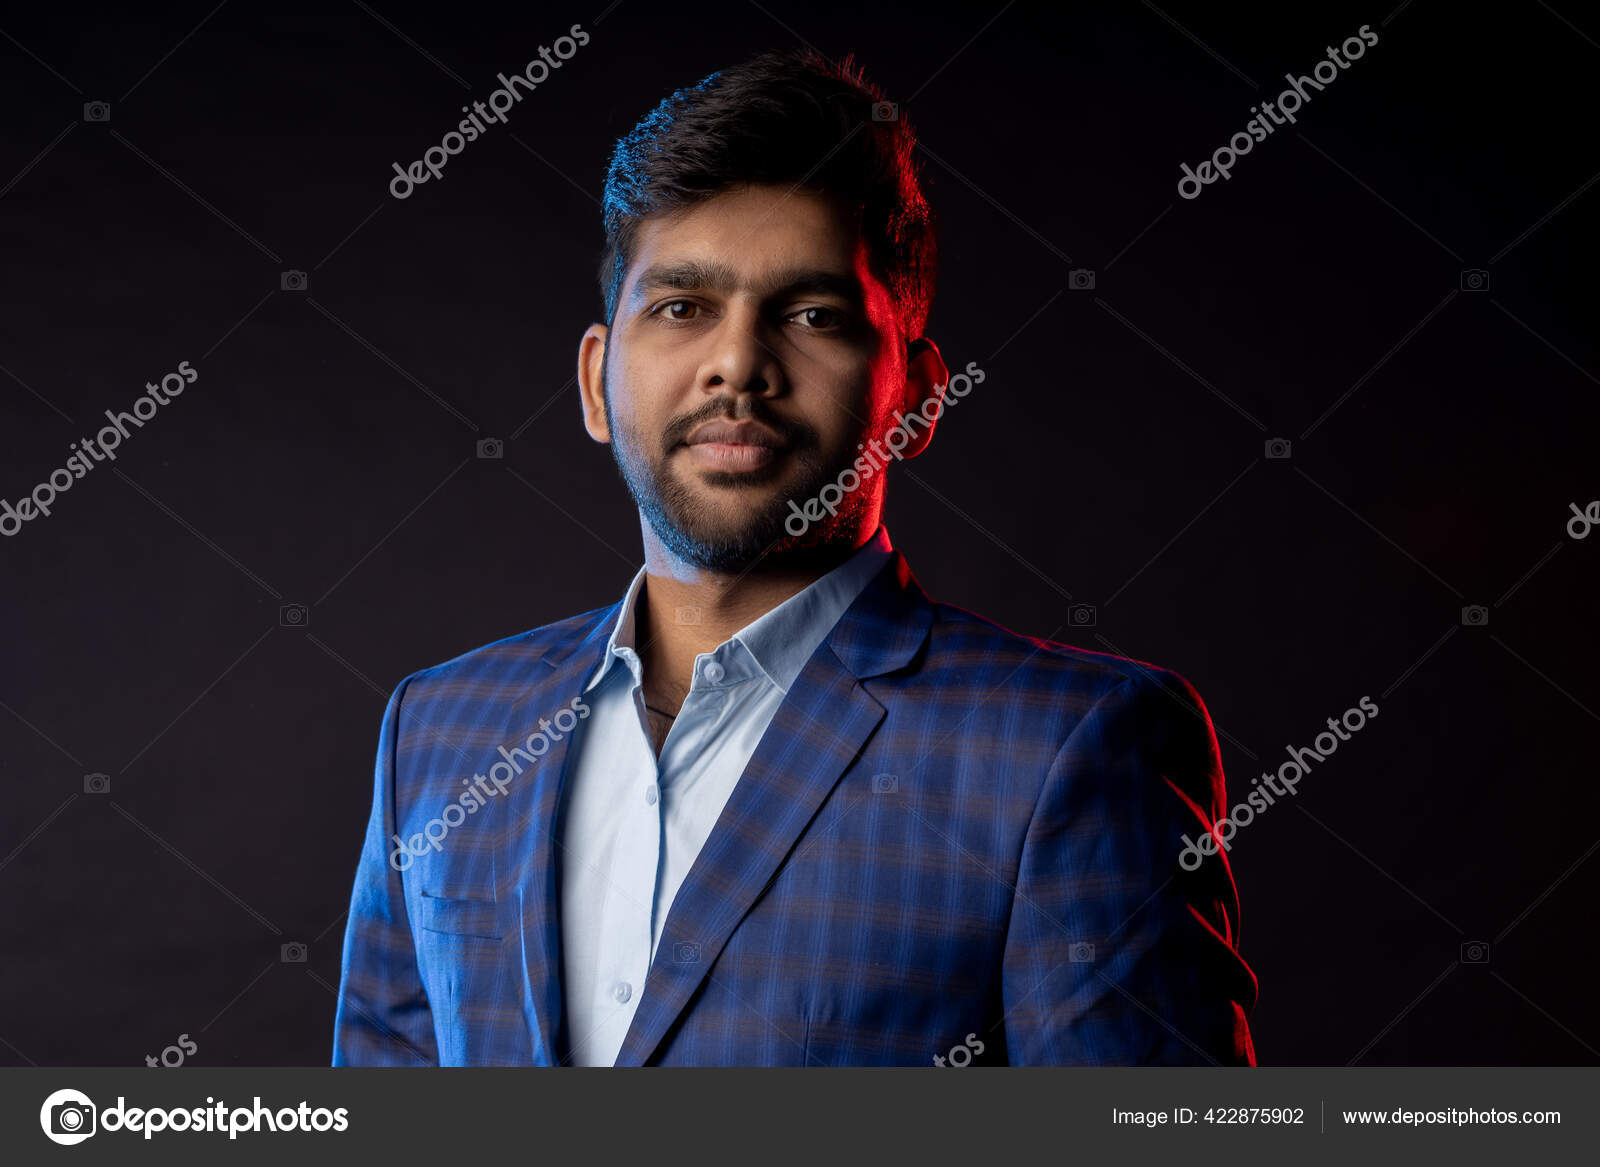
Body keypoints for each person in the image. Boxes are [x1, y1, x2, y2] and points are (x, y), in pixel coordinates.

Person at [333, 47, 1256, 1067]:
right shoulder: (442, 731)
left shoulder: (1070, 751)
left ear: (914, 397)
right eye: (682, 307)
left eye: (812, 314)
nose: (738, 363)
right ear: (597, 385)